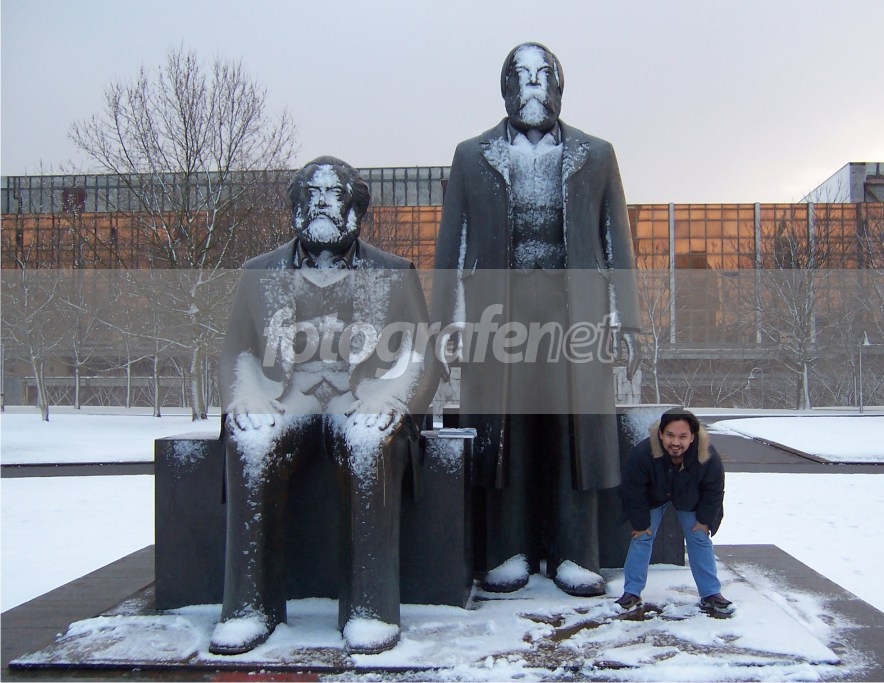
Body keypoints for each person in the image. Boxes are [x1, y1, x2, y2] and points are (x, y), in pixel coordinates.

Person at [431, 42, 642, 597]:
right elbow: (452, 244)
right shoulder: (471, 156)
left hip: (577, 314)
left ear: (559, 87)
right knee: (507, 431)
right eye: (521, 76)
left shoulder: (596, 154)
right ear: (504, 88)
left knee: (574, 432)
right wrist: (445, 322)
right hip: (496, 315)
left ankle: (576, 552)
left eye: (542, 75)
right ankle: (508, 550)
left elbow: (616, 241)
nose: (532, 85)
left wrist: (627, 321)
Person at [212, 156, 439, 655]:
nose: (321, 203)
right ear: (295, 206)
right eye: (311, 195)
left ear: (356, 208)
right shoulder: (258, 272)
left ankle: (369, 608)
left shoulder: (393, 272)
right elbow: (238, 350)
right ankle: (249, 608)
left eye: (333, 194)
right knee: (252, 441)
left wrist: (392, 395)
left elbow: (420, 352)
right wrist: (245, 393)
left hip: (359, 395)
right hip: (283, 394)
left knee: (368, 442)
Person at [617, 408, 735, 616]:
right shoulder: (641, 454)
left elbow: (714, 491)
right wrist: (640, 523)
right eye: (670, 435)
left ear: (692, 437)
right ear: (660, 434)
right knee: (642, 537)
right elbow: (633, 490)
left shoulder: (707, 455)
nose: (675, 442)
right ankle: (631, 593)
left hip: (689, 498)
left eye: (682, 436)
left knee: (700, 537)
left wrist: (705, 520)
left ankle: (711, 594)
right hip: (652, 497)